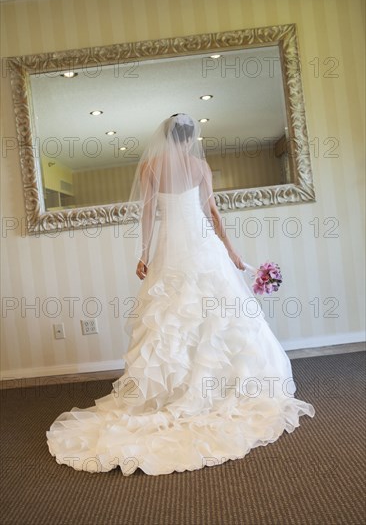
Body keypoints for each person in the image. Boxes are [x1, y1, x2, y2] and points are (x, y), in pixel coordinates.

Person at [46, 113, 315, 476]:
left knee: (171, 318)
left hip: (171, 249)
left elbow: (146, 213)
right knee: (216, 315)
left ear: (166, 137)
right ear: (190, 139)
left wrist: (143, 254)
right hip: (203, 247)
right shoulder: (199, 165)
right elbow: (214, 213)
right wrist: (232, 253)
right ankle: (221, 385)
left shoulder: (152, 166)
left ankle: (173, 391)